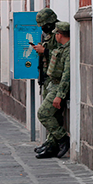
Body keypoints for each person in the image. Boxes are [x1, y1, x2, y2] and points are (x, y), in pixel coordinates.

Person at [36, 21, 71, 158]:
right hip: (53, 85)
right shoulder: (63, 48)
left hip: (58, 88)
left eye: (56, 33)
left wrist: (59, 95)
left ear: (59, 34)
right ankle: (52, 144)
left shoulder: (67, 51)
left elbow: (66, 75)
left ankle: (63, 139)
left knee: (43, 113)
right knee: (53, 116)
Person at [32, 8, 59, 154]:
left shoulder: (58, 33)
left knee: (46, 112)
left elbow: (61, 54)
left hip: (55, 78)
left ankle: (59, 140)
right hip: (47, 76)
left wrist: (45, 51)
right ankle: (51, 142)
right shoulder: (49, 35)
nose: (42, 27)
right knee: (49, 113)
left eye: (44, 24)